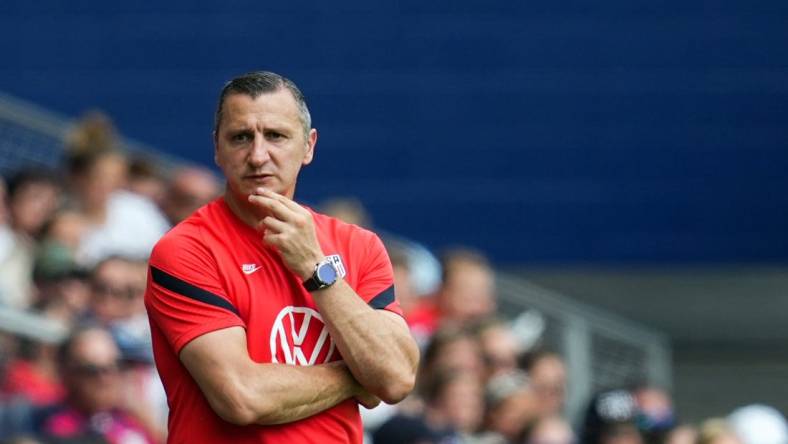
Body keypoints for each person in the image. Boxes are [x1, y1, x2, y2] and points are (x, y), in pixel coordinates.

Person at [144, 71, 419, 443]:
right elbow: (241, 396)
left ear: (308, 146)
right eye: (241, 137)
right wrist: (358, 377)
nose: (258, 155)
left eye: (275, 135)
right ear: (217, 149)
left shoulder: (360, 245)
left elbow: (398, 377)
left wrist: (314, 268)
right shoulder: (186, 250)